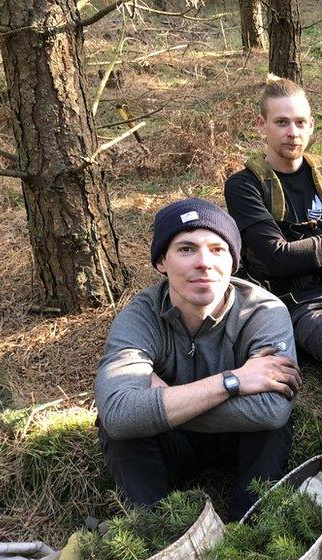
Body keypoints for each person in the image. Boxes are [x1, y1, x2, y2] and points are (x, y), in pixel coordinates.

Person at [95, 198, 301, 521]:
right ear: (161, 261)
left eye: (217, 249)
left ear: (233, 262)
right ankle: (158, 530)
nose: (204, 262)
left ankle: (246, 528)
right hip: (173, 444)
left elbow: (273, 409)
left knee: (274, 426)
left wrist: (158, 403)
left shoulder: (263, 311)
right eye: (186, 249)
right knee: (119, 434)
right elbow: (118, 413)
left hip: (242, 437)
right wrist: (233, 382)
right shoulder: (140, 316)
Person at [224, 75, 322, 372]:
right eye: (282, 122)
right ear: (261, 125)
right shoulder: (244, 187)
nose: (292, 132)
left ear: (311, 125)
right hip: (301, 303)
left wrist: (306, 254)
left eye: (299, 122)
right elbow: (276, 260)